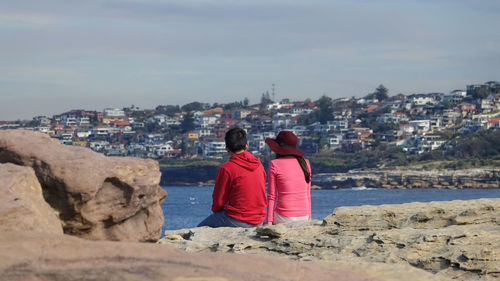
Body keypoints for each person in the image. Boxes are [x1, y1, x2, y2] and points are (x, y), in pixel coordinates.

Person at [198, 127, 267, 228]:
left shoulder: (227, 168)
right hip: (259, 219)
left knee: (197, 231)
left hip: (237, 219)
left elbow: (219, 200)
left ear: (227, 149)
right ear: (246, 145)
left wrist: (218, 211)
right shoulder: (259, 165)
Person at [265, 131, 311, 225]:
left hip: (284, 217)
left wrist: (269, 222)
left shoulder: (274, 164)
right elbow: (307, 195)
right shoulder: (306, 163)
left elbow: (272, 196)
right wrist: (309, 218)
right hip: (304, 216)